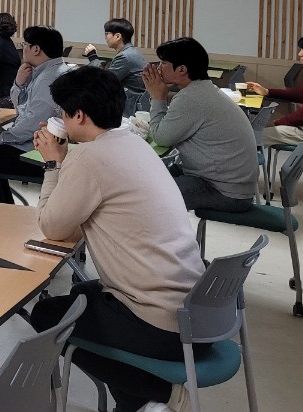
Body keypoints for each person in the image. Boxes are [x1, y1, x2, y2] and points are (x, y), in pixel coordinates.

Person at [30, 65, 204, 412]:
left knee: (47, 317)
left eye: (63, 112)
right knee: (82, 293)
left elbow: (52, 227)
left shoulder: (92, 158)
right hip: (195, 310)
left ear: (78, 115)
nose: (60, 119)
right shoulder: (135, 144)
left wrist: (52, 163)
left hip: (159, 323)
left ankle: (161, 393)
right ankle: (137, 404)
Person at [142, 37, 258, 213]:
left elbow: (161, 138)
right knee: (150, 177)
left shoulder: (191, 98)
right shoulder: (203, 90)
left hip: (225, 192)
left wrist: (157, 97)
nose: (158, 68)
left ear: (182, 69)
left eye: (163, 63)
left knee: (144, 194)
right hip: (231, 184)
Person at [0, 25, 71, 203]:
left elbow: (32, 120)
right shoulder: (48, 71)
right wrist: (19, 83)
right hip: (42, 143)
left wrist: (1, 138)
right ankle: (1, 207)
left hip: (42, 153)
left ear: (36, 49)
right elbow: (22, 109)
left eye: (25, 44)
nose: (22, 49)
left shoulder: (48, 79)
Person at [83, 17, 147, 91]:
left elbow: (105, 81)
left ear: (117, 36)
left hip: (130, 101)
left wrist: (92, 56)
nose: (105, 37)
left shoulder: (125, 56)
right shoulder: (132, 52)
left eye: (107, 34)